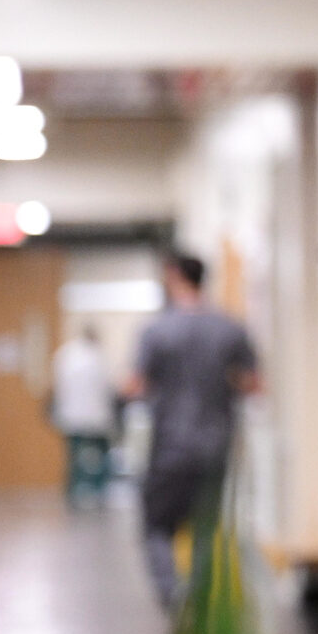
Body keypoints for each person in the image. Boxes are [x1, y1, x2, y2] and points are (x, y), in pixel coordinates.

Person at [124, 251, 259, 612]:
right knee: (206, 528)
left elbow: (136, 385)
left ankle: (173, 596)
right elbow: (254, 384)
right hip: (217, 444)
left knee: (156, 527)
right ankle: (199, 604)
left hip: (169, 445)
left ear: (173, 276)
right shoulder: (230, 328)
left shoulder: (156, 331)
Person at [51, 325, 118, 508]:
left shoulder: (65, 354)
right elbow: (108, 387)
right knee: (100, 457)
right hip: (97, 417)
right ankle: (99, 492)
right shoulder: (98, 356)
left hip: (72, 416)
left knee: (74, 457)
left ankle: (73, 493)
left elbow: (58, 386)